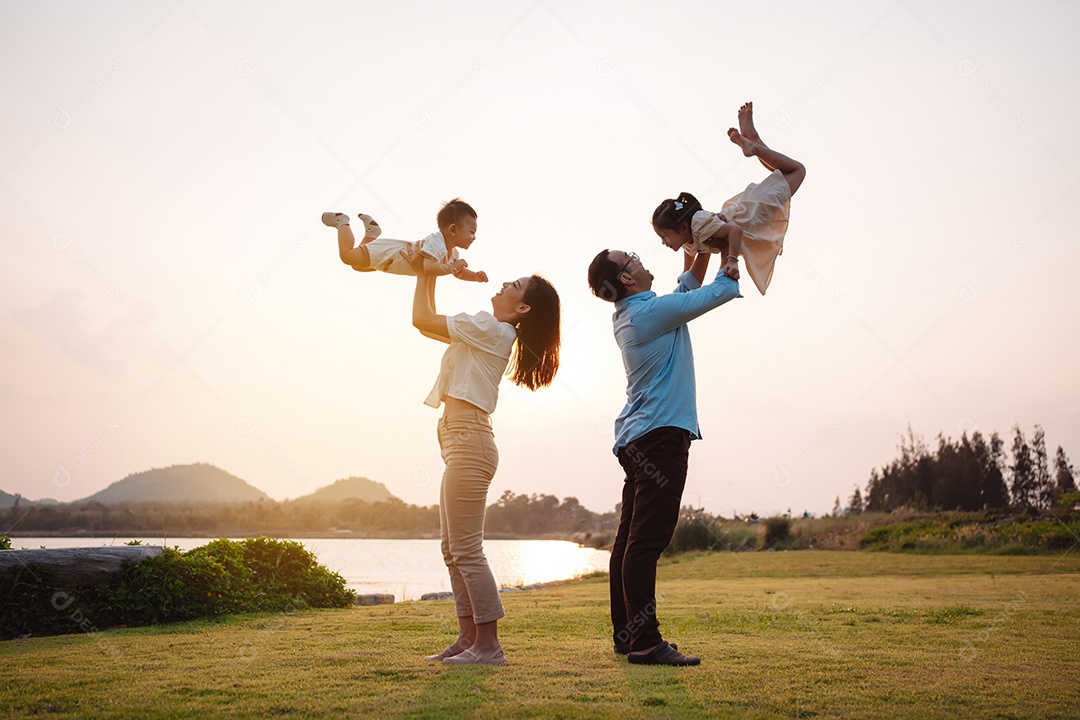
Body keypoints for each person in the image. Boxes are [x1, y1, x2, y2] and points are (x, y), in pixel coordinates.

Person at [587, 246, 740, 666]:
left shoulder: (633, 312)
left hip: (639, 438)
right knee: (646, 542)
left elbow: (687, 287)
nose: (639, 258)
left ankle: (627, 636)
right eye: (631, 259)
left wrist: (699, 251)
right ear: (628, 279)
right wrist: (730, 251)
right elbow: (717, 293)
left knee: (628, 542)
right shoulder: (649, 314)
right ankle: (645, 643)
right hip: (659, 437)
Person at [412, 268, 561, 665]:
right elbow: (428, 328)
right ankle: (467, 639)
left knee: (466, 549)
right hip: (456, 436)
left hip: (470, 439)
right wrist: (428, 272)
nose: (503, 285)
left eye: (513, 286)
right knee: (452, 548)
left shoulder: (494, 330)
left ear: (523, 307)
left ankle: (489, 646)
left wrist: (426, 271)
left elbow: (421, 319)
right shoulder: (485, 330)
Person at [652, 102, 806, 295]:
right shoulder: (687, 236)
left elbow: (734, 231)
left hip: (754, 213)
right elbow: (692, 249)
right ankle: (754, 142)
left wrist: (732, 261)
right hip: (750, 214)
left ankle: (754, 146)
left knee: (796, 170)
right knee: (783, 173)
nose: (663, 242)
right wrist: (686, 271)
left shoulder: (698, 225)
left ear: (683, 227)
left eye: (664, 235)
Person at [321, 198, 487, 281]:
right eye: (471, 232)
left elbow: (458, 273)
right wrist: (452, 268)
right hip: (390, 254)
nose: (474, 237)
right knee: (348, 257)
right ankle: (342, 222)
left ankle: (372, 234)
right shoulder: (436, 243)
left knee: (359, 266)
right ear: (452, 229)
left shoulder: (453, 253)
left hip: (390, 260)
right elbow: (429, 269)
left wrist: (474, 276)